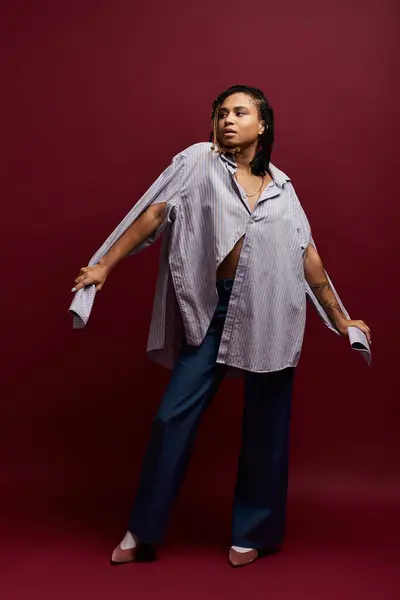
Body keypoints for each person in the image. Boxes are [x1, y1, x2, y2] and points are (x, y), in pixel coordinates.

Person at [70, 85, 371, 568]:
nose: (227, 119)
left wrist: (341, 318)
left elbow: (308, 258)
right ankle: (142, 530)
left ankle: (254, 530)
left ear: (263, 124)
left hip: (274, 308)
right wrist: (105, 264)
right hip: (214, 308)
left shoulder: (283, 188)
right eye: (221, 113)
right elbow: (154, 214)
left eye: (240, 112)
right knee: (173, 418)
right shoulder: (197, 162)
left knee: (267, 426)